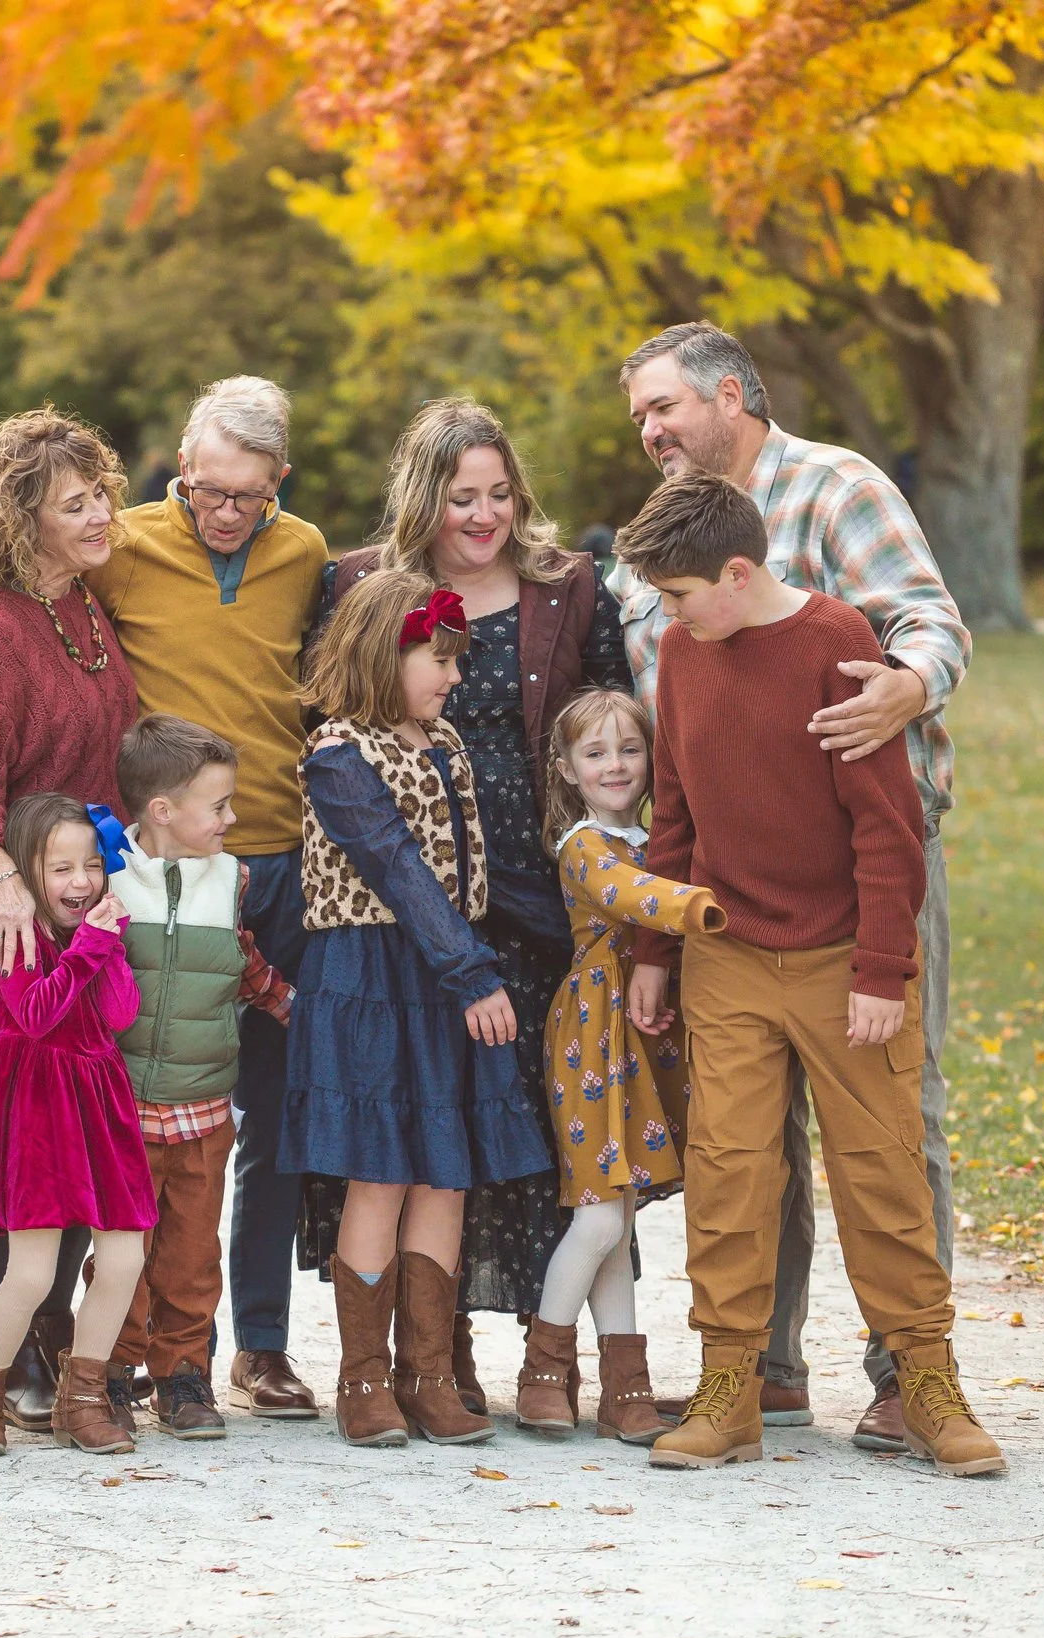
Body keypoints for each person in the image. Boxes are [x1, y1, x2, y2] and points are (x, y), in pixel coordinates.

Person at [614, 322, 971, 1448]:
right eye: (637, 420)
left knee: (888, 1131)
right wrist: (659, 944)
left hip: (861, 875)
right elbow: (672, 786)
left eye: (664, 408)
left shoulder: (834, 493)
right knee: (737, 1147)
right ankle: (754, 1371)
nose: (651, 432)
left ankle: (905, 1373)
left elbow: (930, 622)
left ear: (730, 394)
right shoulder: (670, 576)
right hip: (730, 900)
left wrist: (903, 688)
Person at [320, 398, 629, 1409]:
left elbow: (613, 719)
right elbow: (336, 710)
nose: (484, 514)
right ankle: (424, 1361)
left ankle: (552, 1362)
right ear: (425, 496)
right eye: (462, 495)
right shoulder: (368, 589)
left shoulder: (566, 587)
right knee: (412, 1133)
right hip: (404, 904)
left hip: (534, 884)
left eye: (499, 493)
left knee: (533, 1128)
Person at [90, 376, 328, 1420]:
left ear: (280, 482)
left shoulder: (305, 552)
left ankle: (259, 1345)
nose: (224, 512)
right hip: (157, 872)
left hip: (275, 857)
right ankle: (111, 1347)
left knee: (267, 1117)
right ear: (181, 473)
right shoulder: (128, 544)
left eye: (247, 495)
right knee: (140, 1116)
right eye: (206, 490)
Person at [282, 569, 551, 1448]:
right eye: (436, 660)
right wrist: (473, 975)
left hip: (444, 967)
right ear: (378, 653)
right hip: (373, 976)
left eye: (455, 661)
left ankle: (428, 1370)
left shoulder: (446, 744)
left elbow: (475, 874)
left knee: (446, 1171)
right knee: (381, 1172)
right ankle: (361, 1376)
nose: (453, 678)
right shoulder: (338, 756)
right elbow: (397, 866)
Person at [0, 408, 143, 1432]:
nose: (102, 512)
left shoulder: (89, 611)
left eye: (100, 491)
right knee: (17, 1135)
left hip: (87, 902)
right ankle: (12, 1348)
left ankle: (66, 1346)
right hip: (17, 918)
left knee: (85, 1124)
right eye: (76, 503)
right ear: (26, 519)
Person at [519, 688, 725, 1444]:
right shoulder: (584, 844)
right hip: (594, 1037)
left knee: (618, 1215)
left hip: (647, 1043)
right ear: (568, 768)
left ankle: (624, 1386)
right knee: (601, 1213)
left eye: (630, 749)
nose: (615, 765)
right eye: (596, 752)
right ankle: (544, 1366)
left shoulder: (656, 840)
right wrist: (703, 899)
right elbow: (627, 896)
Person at [100, 716, 296, 1439]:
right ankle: (108, 1373)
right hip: (122, 1110)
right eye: (217, 806)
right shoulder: (109, 875)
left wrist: (292, 1008)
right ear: (162, 811)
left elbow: (243, 965)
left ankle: (183, 1377)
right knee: (122, 1253)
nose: (231, 817)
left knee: (191, 1254)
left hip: (205, 1109)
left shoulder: (232, 879)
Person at [0, 795, 156, 1458]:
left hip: (100, 1098)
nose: (80, 882)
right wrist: (90, 946)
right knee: (33, 1272)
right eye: (61, 867)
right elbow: (35, 1015)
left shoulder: (87, 933)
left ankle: (85, 1393)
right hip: (36, 1102)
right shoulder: (11, 935)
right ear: (28, 871)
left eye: (92, 866)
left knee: (125, 1254)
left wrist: (108, 947)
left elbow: (121, 1013)